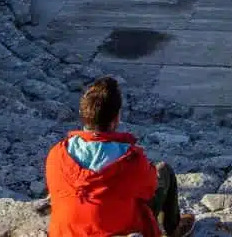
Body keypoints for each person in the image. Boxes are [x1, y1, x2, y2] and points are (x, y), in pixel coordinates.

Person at [46, 76, 194, 237]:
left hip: (66, 232)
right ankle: (172, 229)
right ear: (116, 119)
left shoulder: (57, 153)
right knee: (164, 172)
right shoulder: (130, 159)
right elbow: (148, 190)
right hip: (118, 230)